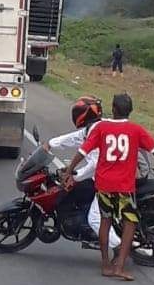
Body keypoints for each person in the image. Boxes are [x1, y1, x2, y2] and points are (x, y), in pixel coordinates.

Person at [64, 93, 154, 281]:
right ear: (130, 111)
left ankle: (106, 265)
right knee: (130, 223)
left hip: (103, 184)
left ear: (113, 109)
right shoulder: (136, 130)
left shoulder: (101, 127)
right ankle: (120, 267)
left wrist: (69, 170)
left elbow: (83, 151)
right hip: (124, 186)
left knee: (105, 221)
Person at [43, 95, 120, 250]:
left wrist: (75, 176)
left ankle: (118, 249)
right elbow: (74, 138)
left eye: (78, 111)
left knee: (95, 218)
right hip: (106, 175)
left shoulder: (97, 130)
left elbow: (95, 165)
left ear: (84, 114)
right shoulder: (93, 128)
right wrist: (50, 144)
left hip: (109, 180)